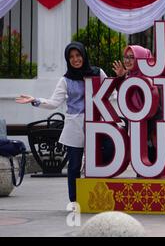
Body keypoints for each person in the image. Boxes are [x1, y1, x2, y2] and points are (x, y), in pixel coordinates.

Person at [16, 42, 107, 203]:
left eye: (78, 55)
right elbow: (53, 102)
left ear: (83, 55)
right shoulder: (66, 80)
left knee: (101, 161)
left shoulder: (97, 73)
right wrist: (35, 100)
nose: (75, 59)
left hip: (96, 123)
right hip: (75, 126)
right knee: (74, 166)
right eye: (71, 57)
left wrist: (120, 78)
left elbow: (110, 92)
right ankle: (75, 201)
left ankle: (97, 198)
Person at [112, 45, 161, 164]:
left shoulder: (152, 79)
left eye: (132, 57)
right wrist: (122, 77)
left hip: (151, 128)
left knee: (153, 161)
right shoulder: (129, 76)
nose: (127, 61)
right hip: (136, 126)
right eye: (126, 57)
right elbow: (125, 97)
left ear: (141, 59)